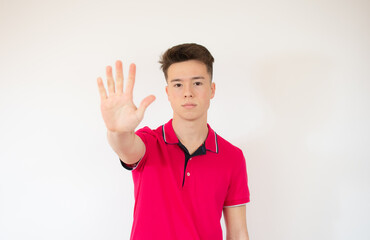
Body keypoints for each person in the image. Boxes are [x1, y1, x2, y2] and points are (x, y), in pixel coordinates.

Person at [97, 43, 250, 240]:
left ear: (211, 90)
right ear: (168, 92)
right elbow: (126, 148)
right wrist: (116, 131)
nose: (188, 92)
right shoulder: (149, 142)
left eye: (197, 83)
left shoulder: (232, 157)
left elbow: (238, 233)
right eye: (178, 84)